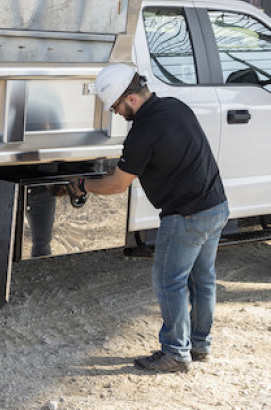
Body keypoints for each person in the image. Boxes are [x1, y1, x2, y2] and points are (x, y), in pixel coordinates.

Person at [67, 63, 229, 373]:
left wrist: (83, 185)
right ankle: (199, 344)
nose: (115, 113)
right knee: (202, 279)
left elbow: (117, 184)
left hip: (186, 216)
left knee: (169, 281)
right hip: (216, 207)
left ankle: (174, 353)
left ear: (129, 99)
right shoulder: (174, 107)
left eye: (115, 106)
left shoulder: (143, 132)